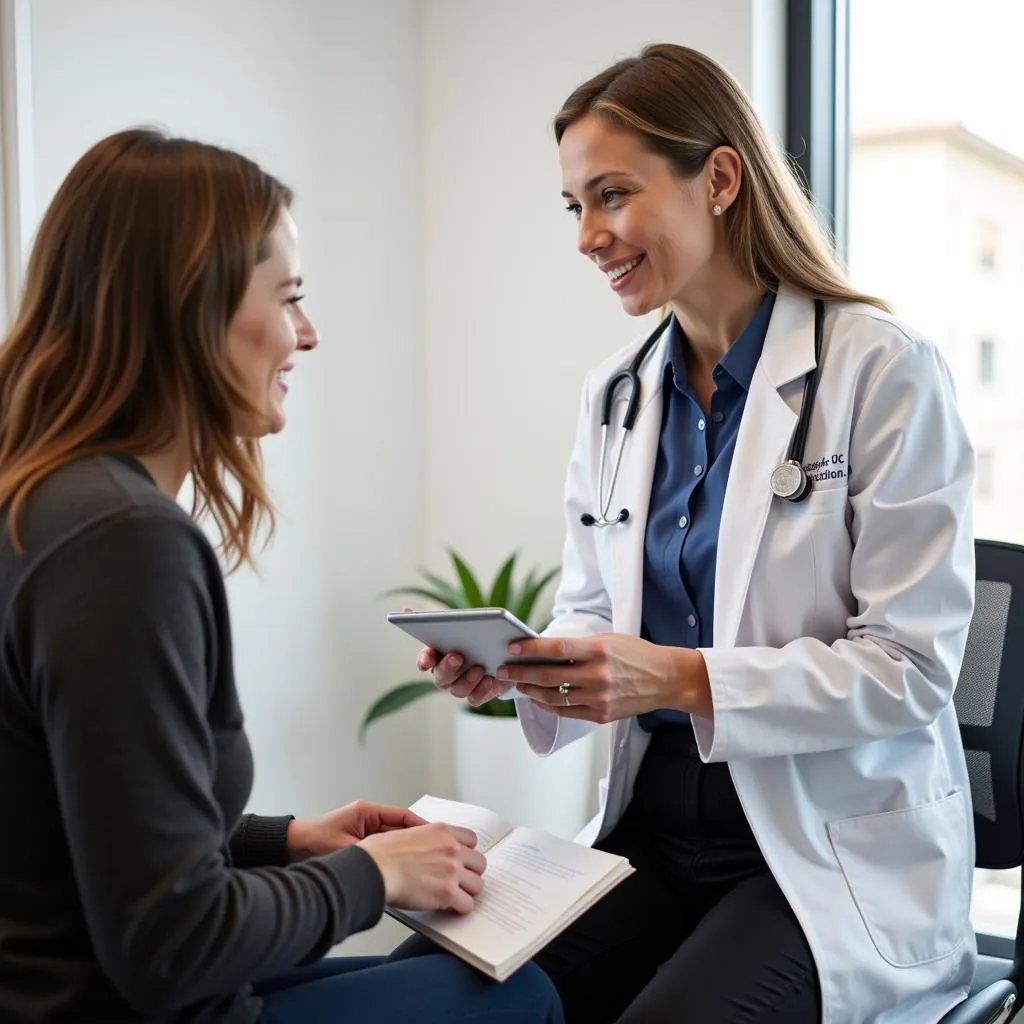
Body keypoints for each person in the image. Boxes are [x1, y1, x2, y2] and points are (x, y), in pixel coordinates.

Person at [406, 44, 977, 1023]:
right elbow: (593, 606)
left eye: (611, 195)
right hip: (651, 834)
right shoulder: (617, 395)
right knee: (453, 999)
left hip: (819, 856)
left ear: (717, 178)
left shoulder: (882, 373)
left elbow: (909, 669)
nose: (588, 234)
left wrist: (679, 678)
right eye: (573, 205)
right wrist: (526, 665)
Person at [0, 128, 563, 1024]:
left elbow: (93, 834)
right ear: (191, 305)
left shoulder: (47, 502)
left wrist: (289, 843)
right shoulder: (123, 544)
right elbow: (169, 940)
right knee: (520, 997)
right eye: (289, 297)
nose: (307, 332)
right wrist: (366, 877)